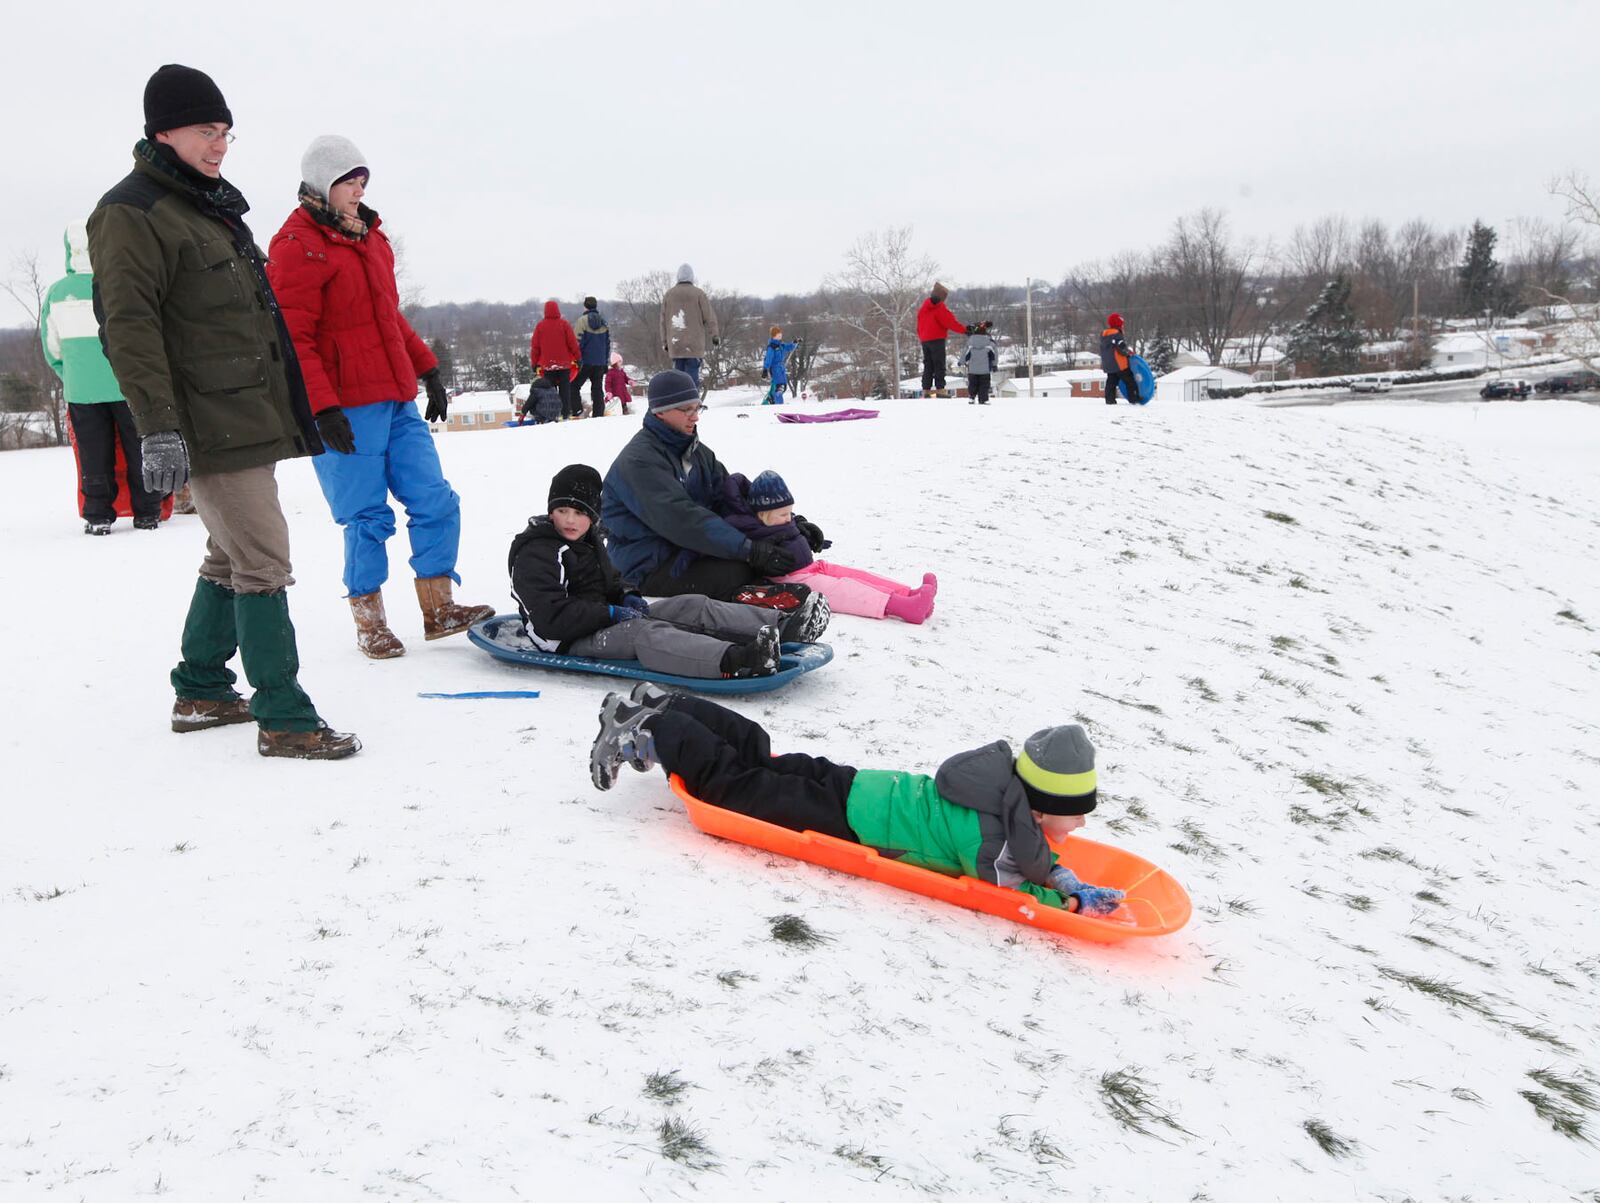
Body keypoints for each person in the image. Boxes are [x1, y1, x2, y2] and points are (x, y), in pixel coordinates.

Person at [87, 63, 358, 759]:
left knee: (227, 553)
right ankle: (285, 717)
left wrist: (306, 404)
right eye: (207, 131)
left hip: (245, 414)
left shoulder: (204, 207)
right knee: (263, 560)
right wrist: (158, 425)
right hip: (203, 421)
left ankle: (203, 686)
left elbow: (256, 321)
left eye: (226, 132)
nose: (220, 145)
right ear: (163, 130)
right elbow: (129, 324)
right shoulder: (131, 213)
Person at [589, 688, 1128, 916]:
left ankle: (672, 705)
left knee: (763, 759)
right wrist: (1071, 903)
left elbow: (1032, 856)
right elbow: (1005, 891)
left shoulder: (1002, 793)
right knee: (737, 790)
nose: (1080, 822)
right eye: (1075, 811)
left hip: (860, 786)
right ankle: (651, 729)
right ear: (1039, 805)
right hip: (848, 821)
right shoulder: (992, 837)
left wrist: (1063, 876)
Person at [267, 134, 493, 661]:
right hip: (344, 407)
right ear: (323, 182)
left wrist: (429, 369)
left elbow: (386, 317)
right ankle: (370, 621)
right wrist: (321, 407)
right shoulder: (296, 245)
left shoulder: (371, 238)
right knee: (366, 517)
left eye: (363, 178)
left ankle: (439, 610)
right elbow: (292, 338)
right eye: (349, 179)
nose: (359, 188)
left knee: (436, 500)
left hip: (395, 397)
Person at [510, 464, 830, 681]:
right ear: (550, 510)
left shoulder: (588, 540)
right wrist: (608, 612)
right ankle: (739, 660)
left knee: (690, 604)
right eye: (562, 510)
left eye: (580, 513)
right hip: (564, 639)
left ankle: (785, 627)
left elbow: (611, 581)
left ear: (593, 516)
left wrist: (628, 596)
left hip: (600, 618)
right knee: (646, 634)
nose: (570, 520)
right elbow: (549, 619)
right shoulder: (536, 552)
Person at [602, 370, 799, 601]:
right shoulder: (640, 461)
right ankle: (765, 610)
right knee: (735, 571)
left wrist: (786, 525)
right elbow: (684, 520)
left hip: (686, 550)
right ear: (660, 411)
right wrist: (750, 550)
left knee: (775, 554)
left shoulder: (695, 451)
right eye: (686, 409)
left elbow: (731, 498)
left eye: (697, 408)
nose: (695, 417)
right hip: (644, 565)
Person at [41, 222, 166, 534]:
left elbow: (51, 347)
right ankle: (148, 512)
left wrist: (68, 374)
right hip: (127, 385)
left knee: (93, 453)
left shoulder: (58, 293)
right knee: (138, 450)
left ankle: (98, 515)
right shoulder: (122, 282)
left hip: (82, 390)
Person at [722, 470, 939, 624]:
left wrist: (804, 534)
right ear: (763, 515)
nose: (789, 518)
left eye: (790, 512)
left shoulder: (777, 521)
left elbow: (788, 528)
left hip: (811, 567)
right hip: (792, 579)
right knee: (846, 590)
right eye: (783, 514)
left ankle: (909, 594)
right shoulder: (749, 529)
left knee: (855, 575)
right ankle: (902, 607)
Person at [659, 264, 719, 388]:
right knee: (692, 377)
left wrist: (665, 342)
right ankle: (693, 403)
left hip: (676, 344)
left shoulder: (669, 295)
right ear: (692, 277)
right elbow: (709, 316)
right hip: (694, 343)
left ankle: (680, 403)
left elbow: (663, 321)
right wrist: (714, 335)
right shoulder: (699, 294)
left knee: (678, 377)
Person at [530, 299, 581, 418]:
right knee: (565, 391)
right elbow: (572, 343)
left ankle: (553, 414)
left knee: (550, 392)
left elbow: (535, 347)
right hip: (564, 364)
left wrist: (534, 363)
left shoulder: (540, 326)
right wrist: (578, 358)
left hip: (547, 365)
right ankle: (565, 414)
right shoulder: (564, 324)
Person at [916, 282, 968, 397]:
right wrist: (965, 330)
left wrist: (922, 337)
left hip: (925, 340)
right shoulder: (939, 308)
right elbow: (950, 322)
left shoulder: (923, 308)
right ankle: (940, 389)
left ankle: (926, 390)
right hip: (937, 339)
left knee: (928, 365)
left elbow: (918, 326)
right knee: (939, 365)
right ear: (942, 297)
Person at [573, 296, 610, 416]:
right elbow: (607, 344)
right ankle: (598, 413)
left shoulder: (582, 321)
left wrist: (577, 360)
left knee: (573, 386)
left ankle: (577, 410)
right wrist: (605, 362)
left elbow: (577, 342)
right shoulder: (604, 322)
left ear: (585, 306)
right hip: (600, 362)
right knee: (597, 389)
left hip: (585, 361)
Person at [1100, 313, 1140, 405]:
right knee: (1130, 381)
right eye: (1121, 323)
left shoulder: (1104, 335)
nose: (1123, 325)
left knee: (1111, 383)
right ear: (1118, 324)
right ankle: (1134, 399)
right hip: (1119, 364)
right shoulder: (1117, 334)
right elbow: (1121, 348)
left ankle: (1110, 401)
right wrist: (1128, 353)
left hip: (1109, 365)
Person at [961, 320, 998, 406]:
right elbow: (995, 354)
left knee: (972, 384)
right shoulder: (990, 342)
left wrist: (961, 362)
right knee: (984, 385)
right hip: (985, 370)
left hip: (972, 370)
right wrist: (994, 365)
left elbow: (965, 352)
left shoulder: (970, 342)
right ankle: (984, 399)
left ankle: (972, 397)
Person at [760, 327, 800, 405]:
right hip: (774, 368)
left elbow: (789, 347)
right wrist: (765, 369)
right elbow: (768, 358)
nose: (780, 336)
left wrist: (795, 342)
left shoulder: (781, 345)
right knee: (779, 387)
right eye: (778, 335)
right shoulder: (772, 347)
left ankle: (771, 399)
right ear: (774, 336)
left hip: (781, 368)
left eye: (780, 334)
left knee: (784, 387)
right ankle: (779, 405)